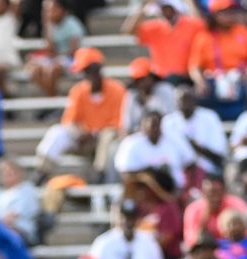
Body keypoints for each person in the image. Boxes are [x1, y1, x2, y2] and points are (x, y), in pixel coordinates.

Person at [35, 48, 125, 179]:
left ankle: (99, 176)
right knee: (57, 132)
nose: (89, 74)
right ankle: (42, 172)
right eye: (86, 71)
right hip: (83, 141)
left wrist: (96, 133)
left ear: (99, 69)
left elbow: (119, 123)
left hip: (106, 142)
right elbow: (69, 120)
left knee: (108, 135)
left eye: (92, 69)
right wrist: (80, 133)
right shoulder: (78, 91)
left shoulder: (117, 89)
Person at [125, 0, 203, 85]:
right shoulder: (155, 27)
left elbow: (202, 25)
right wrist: (143, 6)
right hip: (161, 79)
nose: (166, 11)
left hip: (186, 78)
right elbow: (129, 30)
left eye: (168, 8)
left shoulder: (189, 24)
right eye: (163, 8)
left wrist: (189, 3)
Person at [163, 84, 229, 177]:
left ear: (194, 100)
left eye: (188, 99)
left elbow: (219, 152)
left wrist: (195, 146)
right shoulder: (168, 122)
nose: (184, 103)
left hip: (209, 169)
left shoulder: (209, 117)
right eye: (181, 100)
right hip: (179, 171)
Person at [26, 0, 86, 98]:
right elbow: (50, 50)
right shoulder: (50, 25)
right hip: (56, 58)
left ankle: (52, 99)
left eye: (52, 9)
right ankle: (53, 96)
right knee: (33, 69)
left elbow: (74, 52)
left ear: (61, 9)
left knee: (52, 70)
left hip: (71, 59)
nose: (49, 13)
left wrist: (58, 57)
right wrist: (46, 27)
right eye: (47, 10)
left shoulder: (72, 24)